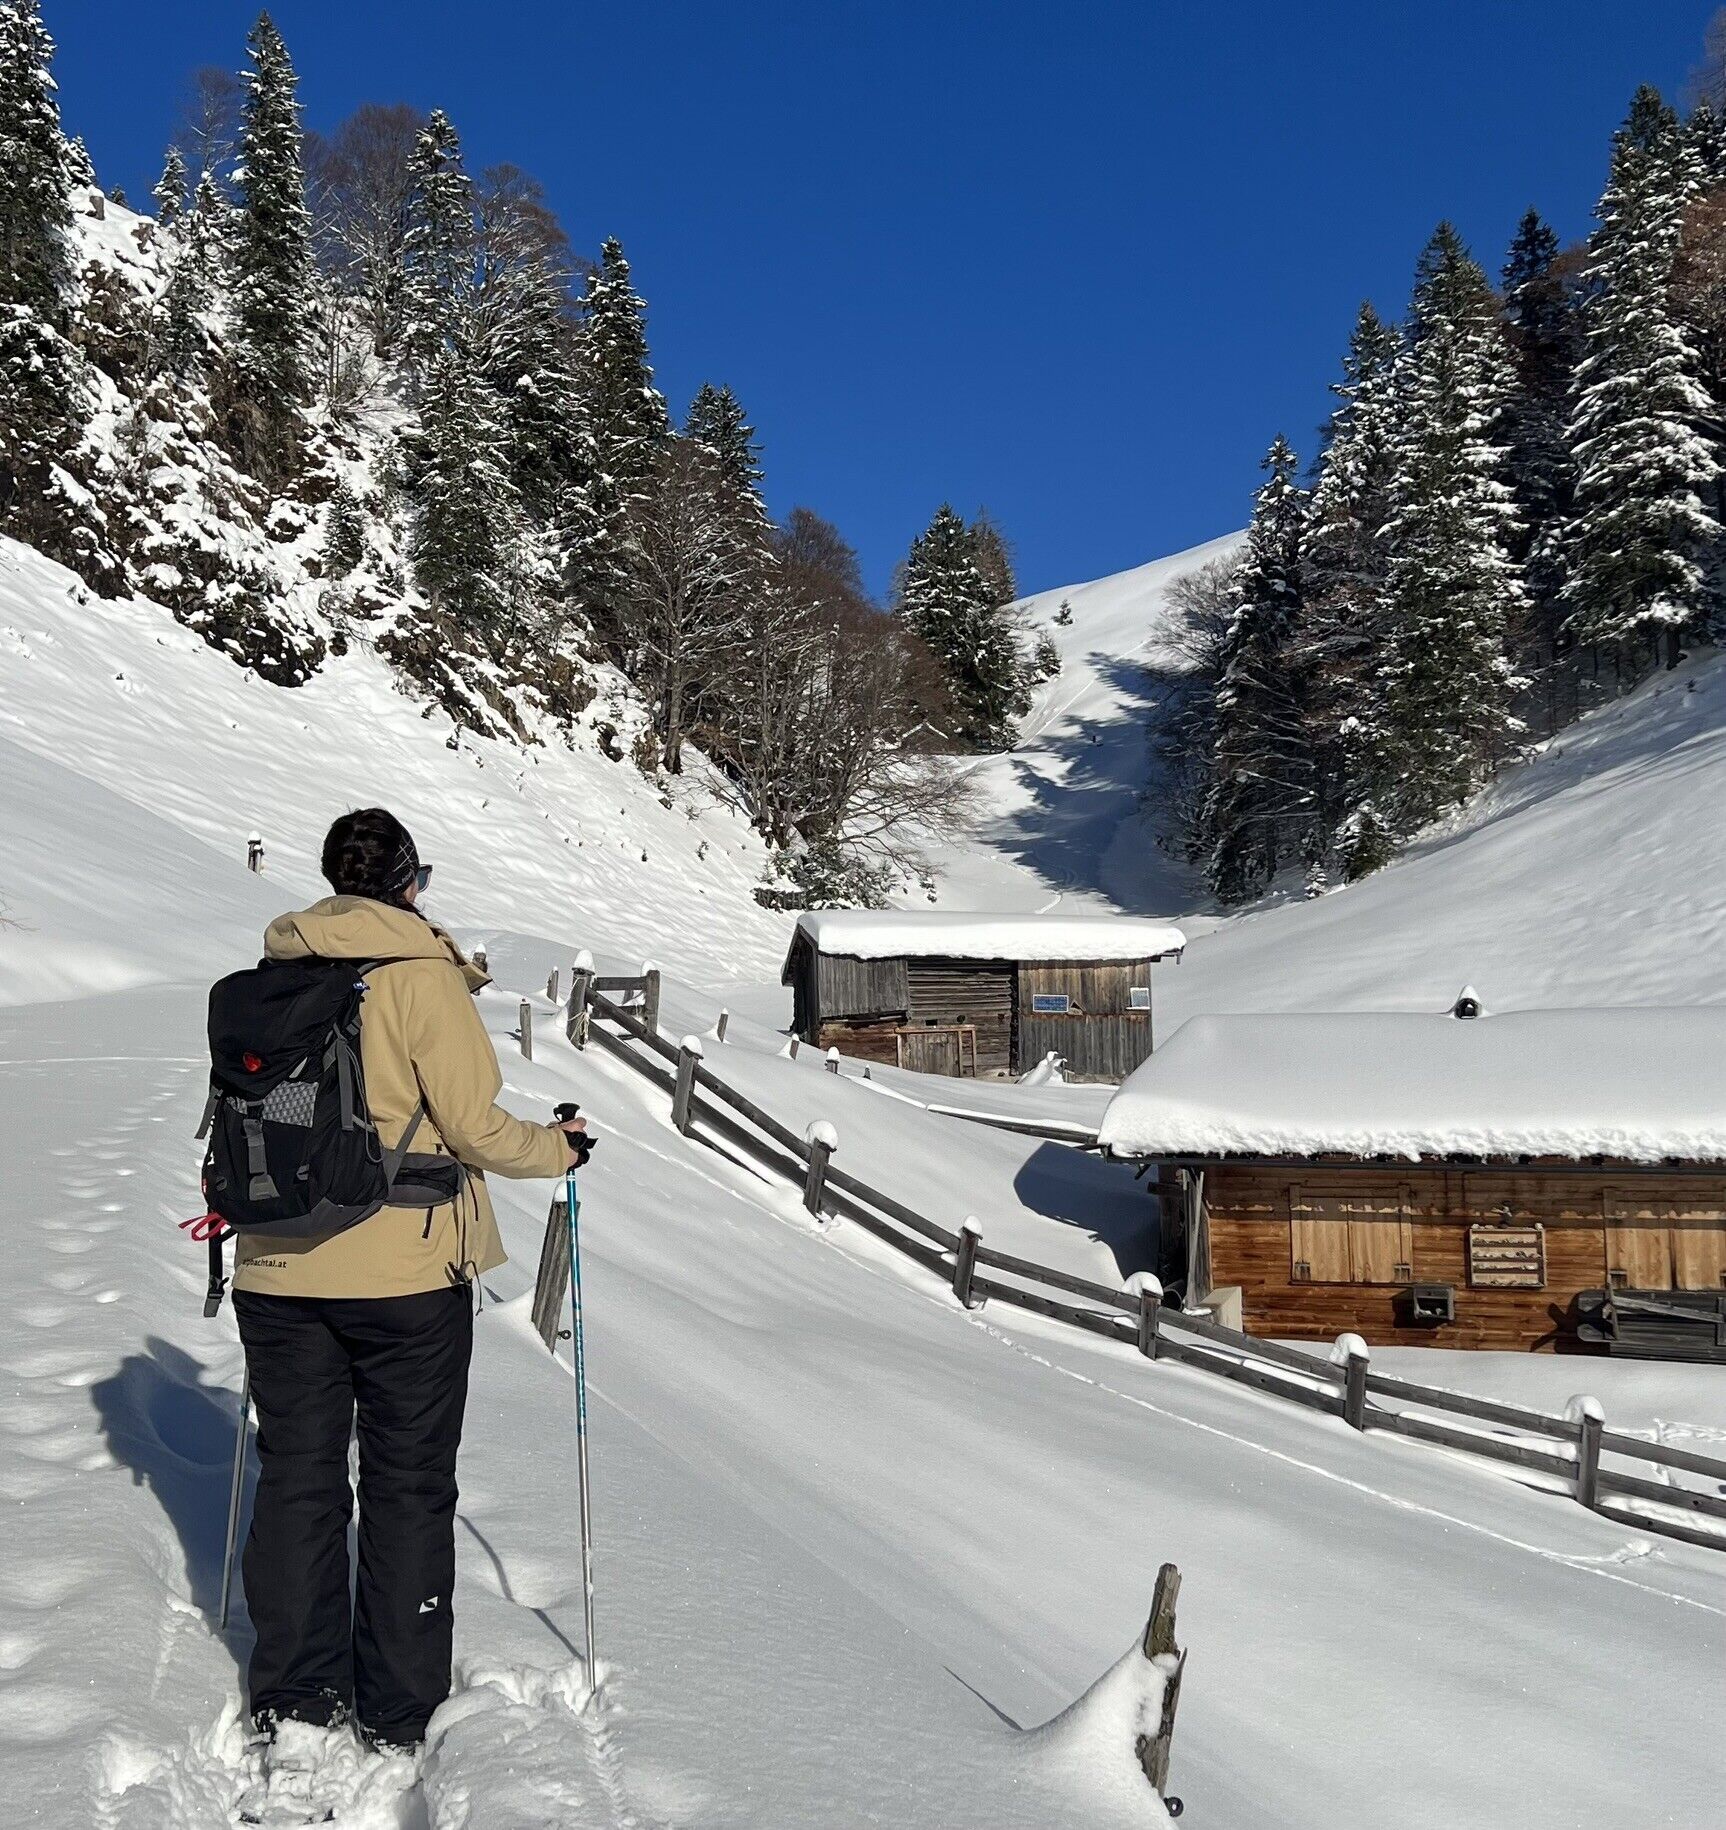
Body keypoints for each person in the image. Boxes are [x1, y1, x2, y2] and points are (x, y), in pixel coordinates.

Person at [232, 807, 585, 1760]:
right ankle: (396, 1708)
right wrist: (559, 1148)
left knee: (299, 1477)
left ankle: (295, 1696)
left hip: (276, 1264)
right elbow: (474, 1127)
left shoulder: (277, 968)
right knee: (407, 1484)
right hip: (405, 1272)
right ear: (408, 884)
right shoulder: (421, 977)